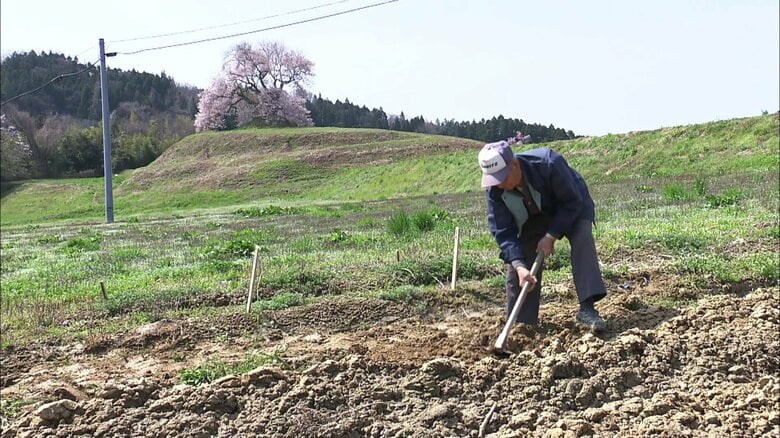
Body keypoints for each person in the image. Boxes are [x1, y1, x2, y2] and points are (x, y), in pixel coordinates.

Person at [478, 138, 607, 332]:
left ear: (514, 165)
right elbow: (503, 231)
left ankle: (588, 309)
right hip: (533, 214)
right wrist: (519, 266)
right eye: (494, 180)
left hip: (571, 204)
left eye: (503, 178)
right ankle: (523, 324)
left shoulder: (549, 163)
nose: (499, 185)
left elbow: (571, 202)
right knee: (520, 262)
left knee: (582, 237)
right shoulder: (495, 190)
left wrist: (551, 235)